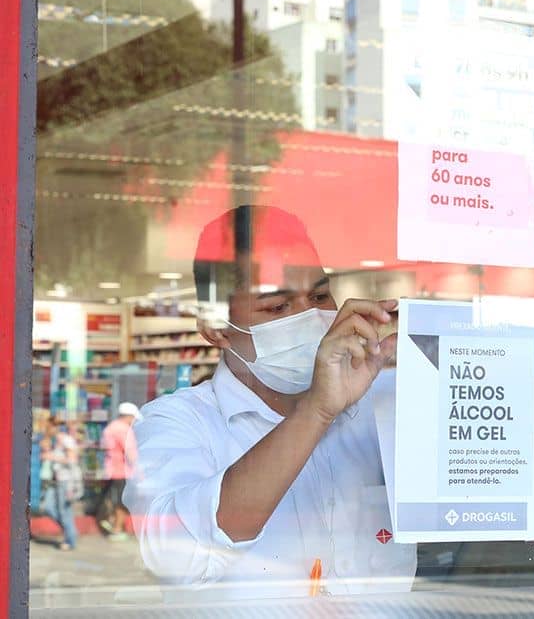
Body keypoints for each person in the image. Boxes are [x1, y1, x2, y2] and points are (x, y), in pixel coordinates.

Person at [124, 206, 414, 601]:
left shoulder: (385, 401)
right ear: (216, 327)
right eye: (278, 307)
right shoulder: (174, 423)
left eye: (319, 295)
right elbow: (180, 559)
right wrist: (316, 410)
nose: (311, 316)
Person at [39, 417, 83, 551]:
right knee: (48, 506)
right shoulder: (56, 441)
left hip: (66, 481)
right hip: (56, 480)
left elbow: (72, 460)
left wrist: (51, 457)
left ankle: (70, 540)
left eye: (50, 426)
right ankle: (71, 532)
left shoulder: (66, 440)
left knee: (64, 511)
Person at [98, 402, 141, 539]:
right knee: (122, 502)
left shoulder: (111, 427)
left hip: (110, 469)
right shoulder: (123, 429)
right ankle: (117, 529)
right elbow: (130, 452)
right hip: (121, 471)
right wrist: (139, 471)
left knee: (111, 498)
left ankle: (109, 520)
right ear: (128, 416)